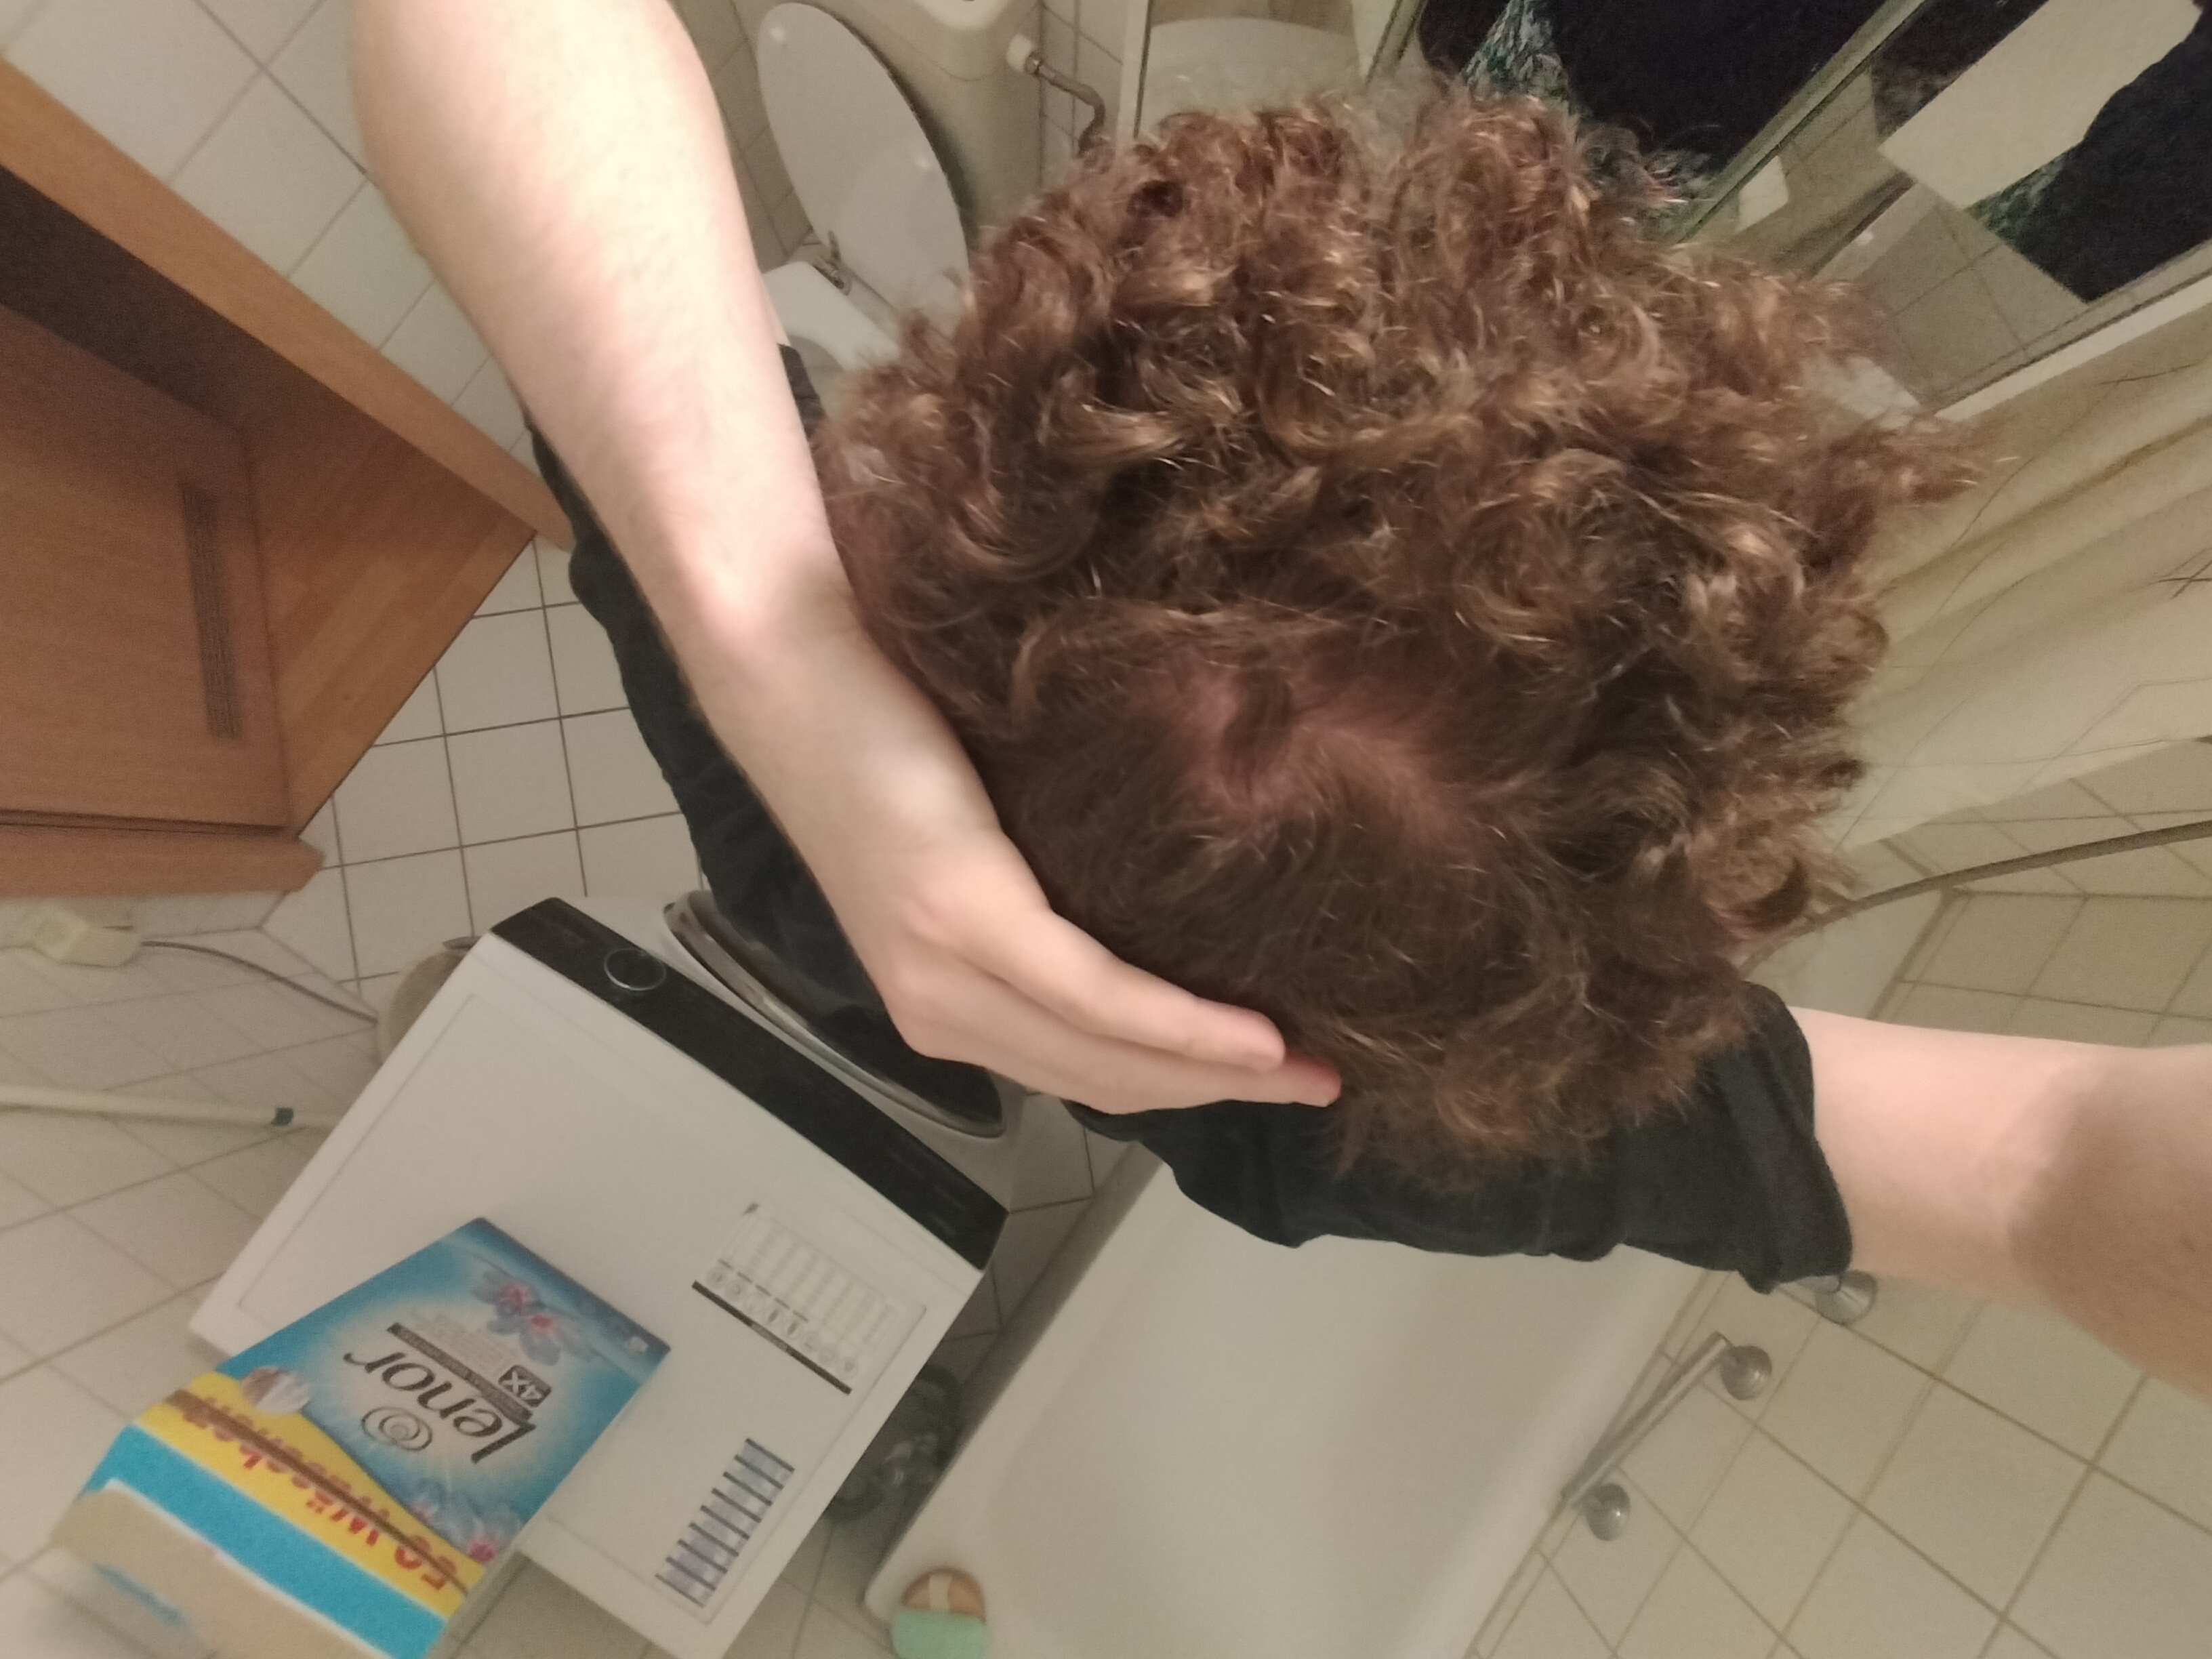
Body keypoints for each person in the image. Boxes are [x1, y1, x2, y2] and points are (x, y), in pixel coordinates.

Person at [354, 0, 2212, 1404]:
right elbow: (2053, 1178)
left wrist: (783, 653)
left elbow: (2059, 1180)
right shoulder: (1335, 1119)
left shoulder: (825, 831)